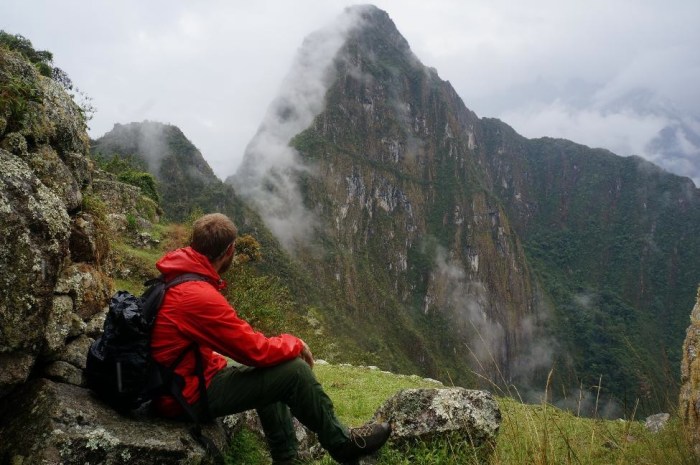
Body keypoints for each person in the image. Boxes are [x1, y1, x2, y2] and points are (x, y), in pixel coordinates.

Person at [150, 213, 390, 464]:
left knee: (272, 367)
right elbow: (255, 351)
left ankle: (286, 458)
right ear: (230, 250)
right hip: (182, 396)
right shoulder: (198, 296)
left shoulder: (179, 272)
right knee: (294, 371)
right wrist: (295, 343)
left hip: (177, 381)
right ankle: (342, 444)